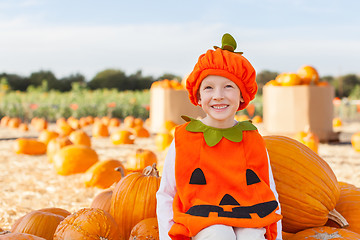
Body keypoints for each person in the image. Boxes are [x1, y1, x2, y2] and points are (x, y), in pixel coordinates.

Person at [156, 33, 282, 240]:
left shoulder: (251, 138)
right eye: (208, 88)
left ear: (243, 94)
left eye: (228, 86)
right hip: (199, 217)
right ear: (198, 96)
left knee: (252, 236)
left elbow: (269, 190)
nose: (218, 95)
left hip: (249, 213)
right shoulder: (185, 138)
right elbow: (167, 194)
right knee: (218, 234)